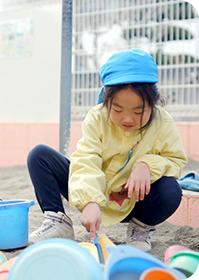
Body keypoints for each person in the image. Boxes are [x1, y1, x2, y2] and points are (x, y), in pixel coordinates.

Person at [27, 49, 187, 251]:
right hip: (95, 194)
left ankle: (141, 228)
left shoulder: (162, 122)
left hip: (134, 200)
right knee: (39, 156)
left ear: (153, 104)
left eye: (139, 111)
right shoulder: (97, 117)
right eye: (118, 110)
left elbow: (176, 160)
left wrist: (147, 165)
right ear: (106, 100)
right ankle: (58, 221)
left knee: (171, 190)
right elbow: (87, 159)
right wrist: (90, 200)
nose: (127, 119)